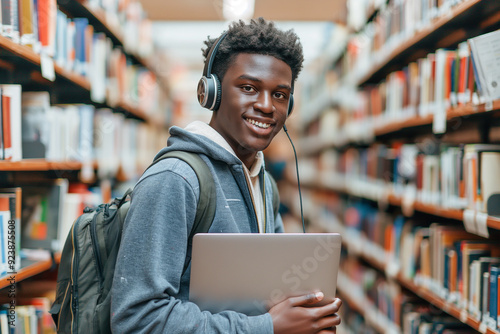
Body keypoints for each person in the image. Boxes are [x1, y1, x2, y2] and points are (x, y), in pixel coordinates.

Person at [111, 18, 342, 333]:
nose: (266, 105)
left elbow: (265, 294)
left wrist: (305, 311)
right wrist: (267, 327)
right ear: (211, 93)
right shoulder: (175, 180)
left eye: (280, 94)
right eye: (249, 88)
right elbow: (137, 319)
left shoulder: (265, 184)